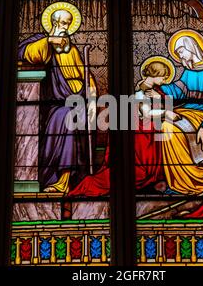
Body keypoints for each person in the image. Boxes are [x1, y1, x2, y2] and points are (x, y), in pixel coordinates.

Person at [140, 31, 203, 217]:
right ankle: (176, 183)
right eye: (178, 52)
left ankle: (192, 181)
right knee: (162, 124)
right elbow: (178, 90)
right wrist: (159, 91)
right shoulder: (189, 72)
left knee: (169, 126)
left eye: (182, 51)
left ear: (192, 48)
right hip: (187, 111)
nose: (180, 55)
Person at [68, 57, 180, 197]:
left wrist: (159, 99)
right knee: (139, 172)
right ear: (155, 75)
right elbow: (147, 113)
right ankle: (89, 184)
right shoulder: (140, 92)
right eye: (163, 78)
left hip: (150, 134)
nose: (165, 81)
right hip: (142, 138)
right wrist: (167, 113)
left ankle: (159, 181)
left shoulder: (154, 90)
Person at [18, 2, 96, 194]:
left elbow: (87, 78)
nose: (64, 28)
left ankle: (67, 179)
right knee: (65, 117)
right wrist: (49, 41)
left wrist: (93, 100)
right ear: (52, 23)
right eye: (60, 23)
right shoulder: (43, 43)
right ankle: (59, 179)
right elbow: (29, 54)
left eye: (67, 24)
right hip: (55, 104)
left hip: (78, 100)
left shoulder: (73, 50)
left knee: (74, 115)